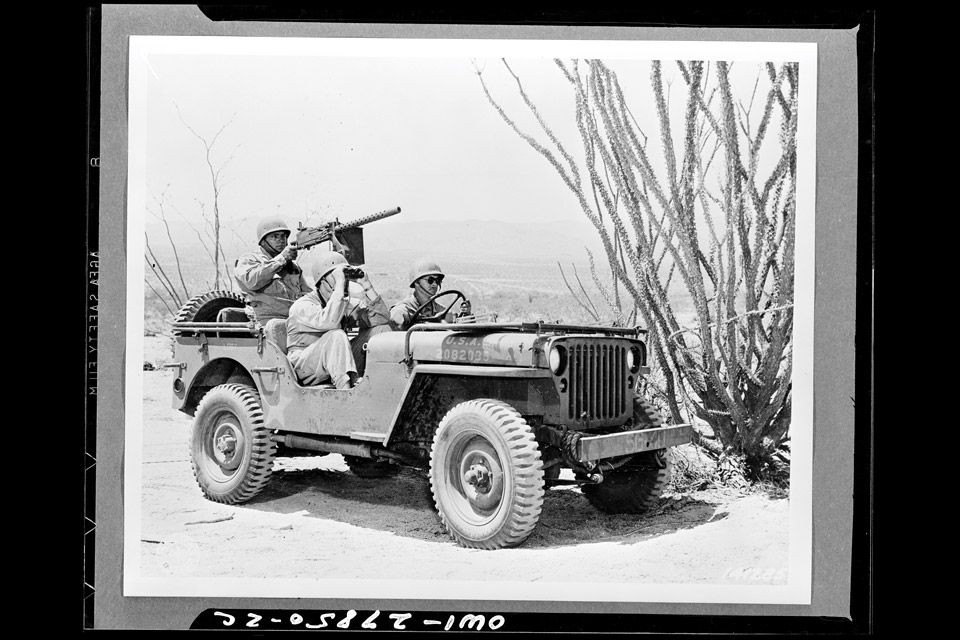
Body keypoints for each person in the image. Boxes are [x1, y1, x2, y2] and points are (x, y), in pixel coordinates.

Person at [286, 251, 391, 389]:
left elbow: (382, 318)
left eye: (345, 277)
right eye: (337, 276)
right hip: (305, 366)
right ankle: (345, 395)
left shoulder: (345, 304)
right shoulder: (303, 306)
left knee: (382, 331)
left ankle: (380, 386)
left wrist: (366, 285)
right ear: (322, 280)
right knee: (337, 335)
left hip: (335, 362)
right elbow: (330, 321)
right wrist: (339, 284)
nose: (345, 281)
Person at [234, 217, 312, 323]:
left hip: (293, 319)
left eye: (283, 236)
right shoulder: (250, 259)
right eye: (274, 237)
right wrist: (281, 259)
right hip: (266, 321)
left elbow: (307, 293)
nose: (280, 240)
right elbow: (252, 281)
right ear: (263, 241)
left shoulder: (292, 266)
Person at [390, 258, 471, 331]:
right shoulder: (402, 312)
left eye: (438, 281)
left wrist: (466, 315)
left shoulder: (440, 311)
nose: (435, 284)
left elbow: (461, 332)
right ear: (417, 282)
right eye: (430, 280)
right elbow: (392, 342)